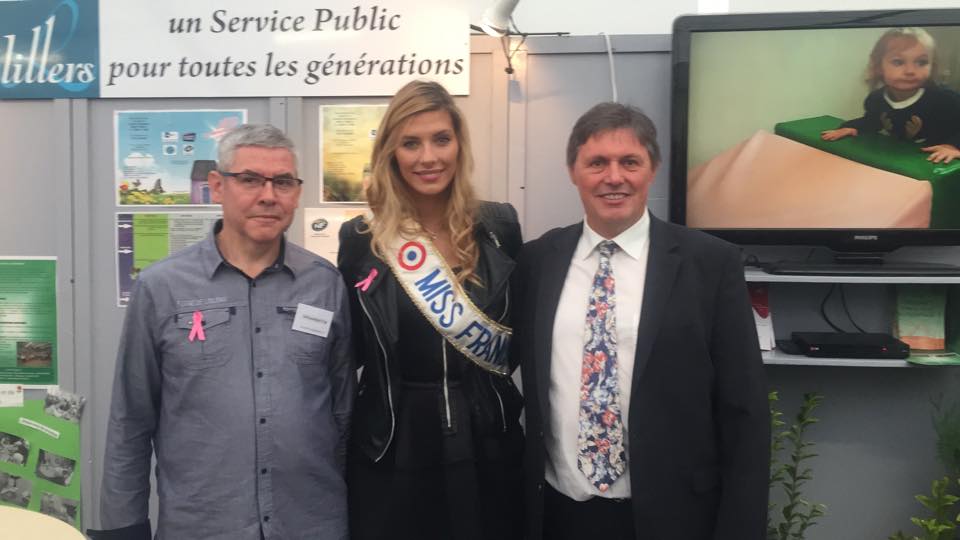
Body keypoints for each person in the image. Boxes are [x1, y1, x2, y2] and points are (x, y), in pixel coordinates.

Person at [513, 102, 770, 540]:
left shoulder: (709, 263)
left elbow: (744, 412)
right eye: (597, 163)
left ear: (653, 169)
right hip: (559, 513)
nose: (614, 177)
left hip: (674, 518)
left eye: (629, 162)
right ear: (573, 171)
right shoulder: (539, 259)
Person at [92, 124, 354, 540]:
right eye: (250, 179)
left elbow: (344, 412)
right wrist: (124, 527)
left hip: (310, 523)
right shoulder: (162, 288)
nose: (268, 195)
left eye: (282, 182)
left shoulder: (325, 284)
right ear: (217, 186)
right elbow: (131, 419)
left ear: (297, 193)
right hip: (202, 526)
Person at [337, 79, 524, 540]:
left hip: (487, 439)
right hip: (393, 441)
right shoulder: (360, 240)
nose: (428, 158)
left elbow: (516, 337)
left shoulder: (499, 227)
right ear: (391, 153)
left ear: (459, 144)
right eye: (411, 143)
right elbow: (351, 352)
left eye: (441, 139)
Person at [821, 27, 960, 164]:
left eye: (921, 62)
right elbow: (872, 121)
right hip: (905, 160)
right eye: (898, 62)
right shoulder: (876, 99)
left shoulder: (945, 100)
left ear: (932, 66)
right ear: (879, 67)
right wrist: (852, 127)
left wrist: (953, 147)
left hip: (943, 164)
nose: (910, 70)